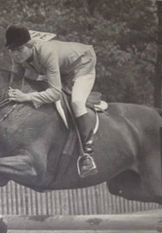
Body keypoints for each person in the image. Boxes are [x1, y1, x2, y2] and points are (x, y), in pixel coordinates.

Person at [5, 24, 98, 177]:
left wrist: (26, 97)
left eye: (19, 50)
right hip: (62, 68)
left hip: (83, 63)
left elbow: (55, 93)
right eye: (11, 50)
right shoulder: (19, 55)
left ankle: (87, 153)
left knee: (76, 102)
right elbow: (15, 81)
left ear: (30, 45)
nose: (15, 55)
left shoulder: (46, 53)